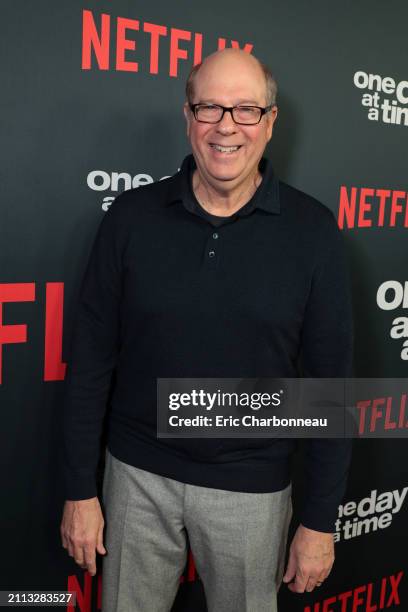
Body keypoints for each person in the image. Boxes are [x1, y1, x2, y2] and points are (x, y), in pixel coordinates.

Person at [60, 48, 353, 612]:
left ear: (270, 123)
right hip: (135, 477)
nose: (227, 127)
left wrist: (319, 522)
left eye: (245, 110)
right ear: (188, 116)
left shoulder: (312, 232)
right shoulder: (130, 217)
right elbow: (91, 360)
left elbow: (330, 387)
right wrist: (79, 488)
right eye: (210, 108)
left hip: (253, 491)